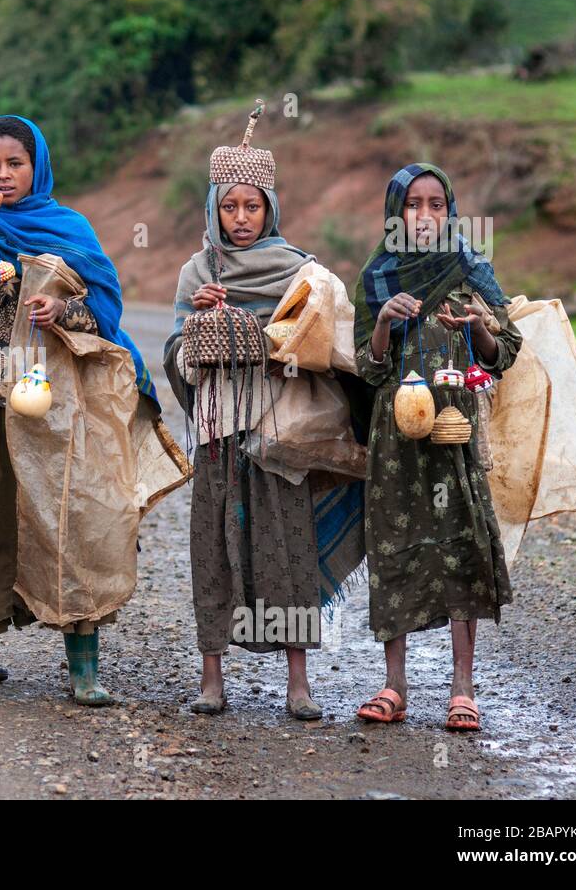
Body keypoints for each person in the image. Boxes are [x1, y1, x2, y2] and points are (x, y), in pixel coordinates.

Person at [0, 115, 156, 707]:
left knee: (67, 520)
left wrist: (61, 314)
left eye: (16, 163)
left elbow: (102, 314)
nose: (4, 175)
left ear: (38, 165)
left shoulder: (70, 229)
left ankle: (84, 667)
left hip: (59, 401)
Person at [163, 109, 365, 720]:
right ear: (213, 210)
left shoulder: (301, 273)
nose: (242, 219)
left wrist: (280, 348)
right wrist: (201, 324)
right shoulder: (196, 273)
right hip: (220, 436)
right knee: (214, 548)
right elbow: (178, 355)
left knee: (289, 546)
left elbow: (327, 343)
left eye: (253, 207)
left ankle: (297, 680)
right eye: (230, 208)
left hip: (282, 434)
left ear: (270, 208)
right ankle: (212, 676)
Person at [351, 163, 520, 733]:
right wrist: (383, 327)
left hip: (455, 432)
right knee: (394, 547)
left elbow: (506, 351)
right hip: (394, 439)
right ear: (394, 214)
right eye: (412, 205)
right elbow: (366, 369)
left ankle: (462, 687)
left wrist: (478, 328)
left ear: (450, 211)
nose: (425, 216)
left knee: (461, 545)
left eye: (436, 205)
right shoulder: (378, 276)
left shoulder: (470, 269)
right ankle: (395, 685)